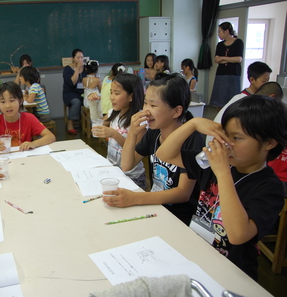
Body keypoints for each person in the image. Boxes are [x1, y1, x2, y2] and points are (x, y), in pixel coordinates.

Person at [156, 95, 287, 280]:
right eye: (225, 134)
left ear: (269, 143)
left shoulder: (269, 187)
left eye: (237, 138)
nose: (226, 143)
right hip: (200, 258)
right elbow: (164, 153)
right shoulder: (213, 164)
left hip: (233, 272)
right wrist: (192, 124)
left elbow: (238, 235)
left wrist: (222, 171)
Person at [107, 73, 204, 225]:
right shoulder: (154, 132)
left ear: (177, 111)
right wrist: (132, 133)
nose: (146, 110)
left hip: (181, 219)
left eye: (153, 105)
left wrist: (136, 198)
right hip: (157, 208)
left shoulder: (192, 139)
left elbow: (183, 193)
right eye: (145, 103)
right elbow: (126, 165)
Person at [92, 73, 147, 189]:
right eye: (111, 92)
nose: (112, 97)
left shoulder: (139, 120)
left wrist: (115, 135)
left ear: (131, 96)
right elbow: (97, 124)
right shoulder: (113, 113)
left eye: (117, 93)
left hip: (132, 177)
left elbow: (136, 151)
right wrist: (94, 104)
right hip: (113, 172)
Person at [0, 82, 55, 152]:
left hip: (24, 157)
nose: (8, 106)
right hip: (4, 158)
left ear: (20, 101)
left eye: (12, 100)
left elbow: (50, 137)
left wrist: (33, 143)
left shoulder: (29, 118)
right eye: (3, 102)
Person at [207, 61, 272, 143]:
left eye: (268, 81)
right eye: (264, 81)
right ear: (252, 80)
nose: (267, 85)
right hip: (218, 142)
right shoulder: (243, 100)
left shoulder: (247, 97)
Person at [209, 22, 244, 109]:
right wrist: (231, 59)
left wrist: (224, 58)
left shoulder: (238, 42)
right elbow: (216, 59)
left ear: (226, 31)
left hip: (233, 75)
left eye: (219, 31)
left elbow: (238, 59)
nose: (218, 34)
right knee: (219, 101)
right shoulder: (220, 45)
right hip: (221, 74)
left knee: (233, 102)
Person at [63, 48, 86, 134]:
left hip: (82, 92)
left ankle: (89, 124)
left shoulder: (86, 68)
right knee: (77, 102)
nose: (80, 60)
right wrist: (77, 69)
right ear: (73, 58)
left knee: (92, 100)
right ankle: (70, 124)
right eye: (78, 58)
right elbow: (72, 83)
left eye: (82, 57)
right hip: (70, 93)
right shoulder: (67, 69)